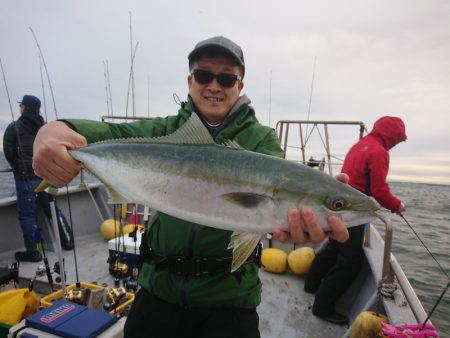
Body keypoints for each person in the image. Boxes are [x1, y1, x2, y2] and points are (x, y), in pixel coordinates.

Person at [32, 36, 349, 338]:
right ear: (190, 82)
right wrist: (57, 129)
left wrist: (311, 211)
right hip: (157, 290)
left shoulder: (261, 141)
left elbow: (275, 197)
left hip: (229, 301)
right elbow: (109, 131)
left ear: (239, 86)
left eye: (226, 79)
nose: (214, 85)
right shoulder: (165, 131)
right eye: (203, 75)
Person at [304, 116, 407, 325]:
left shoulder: (361, 144)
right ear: (391, 136)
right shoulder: (379, 152)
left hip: (338, 206)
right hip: (353, 210)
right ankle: (322, 307)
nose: (395, 144)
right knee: (351, 260)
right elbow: (379, 190)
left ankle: (311, 284)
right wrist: (397, 206)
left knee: (333, 248)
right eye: (396, 140)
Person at [3, 95, 47, 262]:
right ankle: (68, 241)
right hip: (44, 176)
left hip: (25, 178)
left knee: (27, 215)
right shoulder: (44, 127)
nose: (20, 107)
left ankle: (33, 252)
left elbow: (8, 151)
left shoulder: (14, 127)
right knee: (52, 210)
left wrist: (17, 166)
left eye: (21, 104)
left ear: (25, 108)